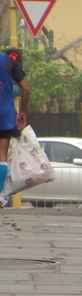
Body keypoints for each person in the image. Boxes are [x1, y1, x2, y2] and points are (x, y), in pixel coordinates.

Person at [0, 48, 28, 201]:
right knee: (2, 154)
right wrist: (22, 112)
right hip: (4, 114)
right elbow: (26, 87)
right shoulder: (8, 61)